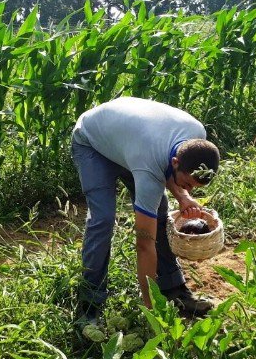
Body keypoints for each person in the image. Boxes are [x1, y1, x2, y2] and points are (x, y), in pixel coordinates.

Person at [71, 96, 220, 326]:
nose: (189, 190)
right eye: (188, 184)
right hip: (93, 142)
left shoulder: (196, 135)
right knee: (103, 220)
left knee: (159, 213)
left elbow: (167, 166)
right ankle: (90, 305)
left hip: (130, 140)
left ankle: (174, 290)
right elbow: (144, 244)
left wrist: (183, 195)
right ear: (175, 163)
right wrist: (151, 310)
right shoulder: (149, 163)